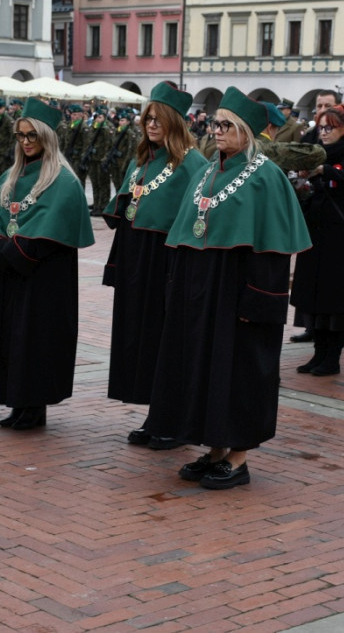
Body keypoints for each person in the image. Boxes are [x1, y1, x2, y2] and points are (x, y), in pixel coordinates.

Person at [144, 87, 310, 490]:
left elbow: (272, 250)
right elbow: (187, 234)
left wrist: (259, 303)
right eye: (216, 123)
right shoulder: (205, 171)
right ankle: (215, 449)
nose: (217, 131)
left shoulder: (266, 177)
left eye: (227, 125)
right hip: (200, 294)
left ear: (247, 132)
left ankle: (237, 458)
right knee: (202, 371)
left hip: (239, 295)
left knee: (236, 373)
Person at [0, 98, 94, 430]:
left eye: (32, 136)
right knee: (10, 337)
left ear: (47, 137)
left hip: (43, 279)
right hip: (11, 275)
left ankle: (34, 407)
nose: (25, 142)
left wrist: (7, 254)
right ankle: (16, 402)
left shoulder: (64, 181)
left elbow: (46, 231)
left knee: (36, 341)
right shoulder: (11, 176)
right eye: (20, 135)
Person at [102, 83, 208, 450]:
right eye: (147, 117)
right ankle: (155, 415)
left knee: (167, 342)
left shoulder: (194, 162)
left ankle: (173, 421)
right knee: (143, 341)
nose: (150, 124)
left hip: (165, 262)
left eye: (157, 118)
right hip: (136, 260)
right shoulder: (140, 159)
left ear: (174, 122)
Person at [289, 104, 344, 376]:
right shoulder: (313, 148)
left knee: (336, 300)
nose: (323, 132)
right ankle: (318, 354)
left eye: (329, 127)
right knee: (315, 296)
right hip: (315, 233)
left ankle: (332, 357)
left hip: (339, 237)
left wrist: (326, 171)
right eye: (321, 126)